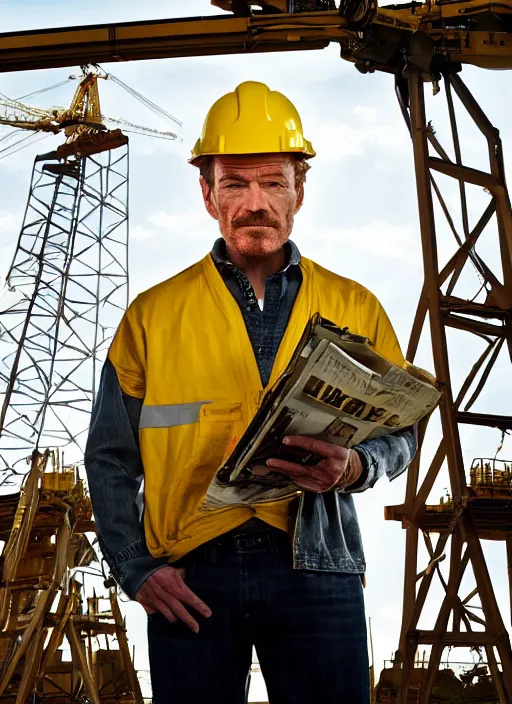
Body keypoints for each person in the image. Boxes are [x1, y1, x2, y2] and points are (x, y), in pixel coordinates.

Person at [85, 81, 417, 704]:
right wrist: (135, 568)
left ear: (301, 190)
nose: (254, 202)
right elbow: (109, 456)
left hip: (320, 564)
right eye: (235, 184)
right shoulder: (152, 316)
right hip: (190, 574)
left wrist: (356, 464)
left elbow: (403, 430)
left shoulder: (355, 307)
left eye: (272, 182)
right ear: (207, 193)